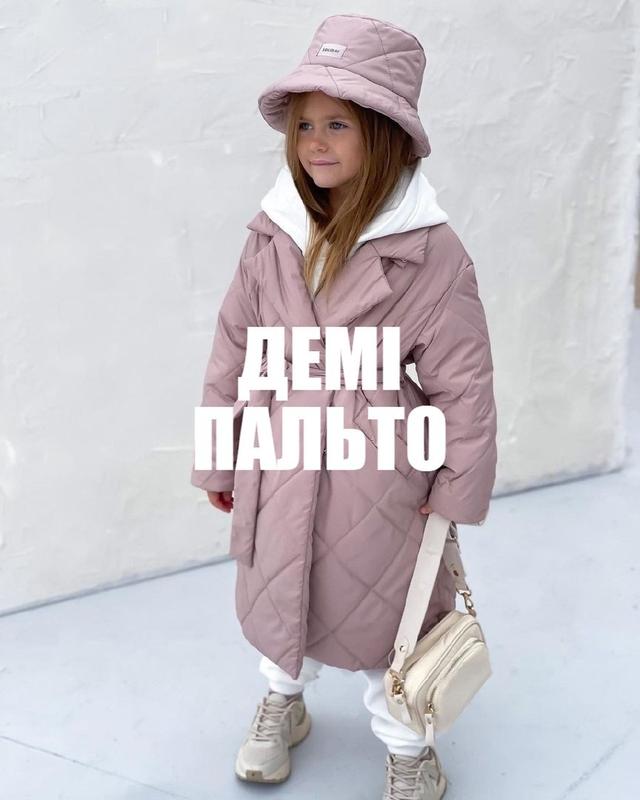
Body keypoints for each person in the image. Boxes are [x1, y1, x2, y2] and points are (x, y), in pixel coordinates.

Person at [190, 13, 498, 800]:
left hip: (380, 471)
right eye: (304, 125)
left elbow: (463, 382)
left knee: (387, 616)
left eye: (338, 124)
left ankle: (408, 744)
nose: (315, 142)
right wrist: (220, 454)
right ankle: (282, 700)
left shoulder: (430, 251)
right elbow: (233, 345)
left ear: (384, 134)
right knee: (278, 594)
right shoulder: (273, 233)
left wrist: (456, 490)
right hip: (280, 451)